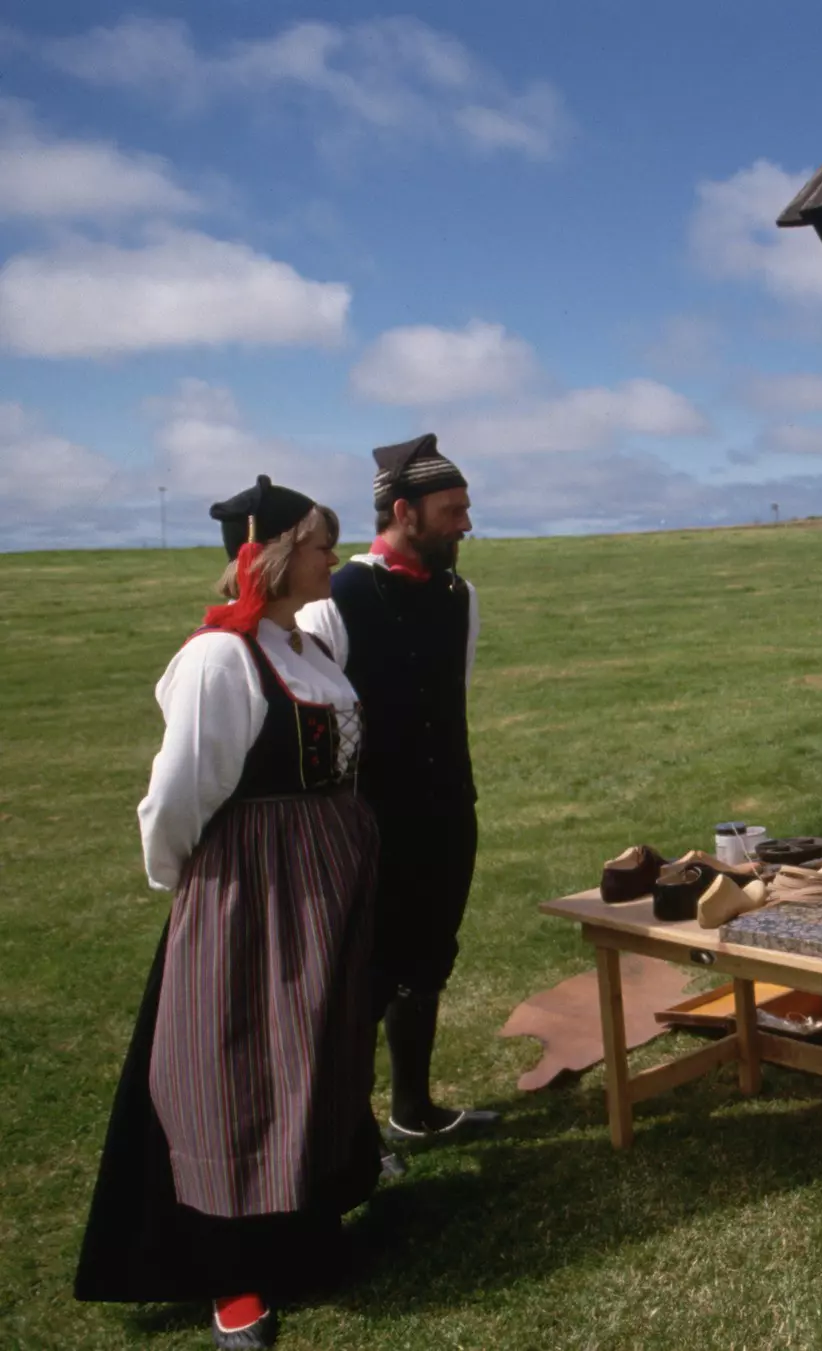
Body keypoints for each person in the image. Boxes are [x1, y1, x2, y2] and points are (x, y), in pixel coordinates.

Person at [75, 477, 383, 1350]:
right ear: (278, 553)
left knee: (315, 1048)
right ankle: (229, 1273)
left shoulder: (308, 644)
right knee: (237, 1065)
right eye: (321, 542)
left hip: (325, 878)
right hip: (255, 888)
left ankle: (303, 1231)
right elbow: (176, 795)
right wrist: (197, 890)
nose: (334, 553)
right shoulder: (222, 659)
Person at [298, 434, 494, 1143]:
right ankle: (346, 1140)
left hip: (446, 812)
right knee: (365, 974)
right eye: (453, 510)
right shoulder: (335, 599)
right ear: (404, 512)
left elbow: (451, 696)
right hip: (370, 822)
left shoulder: (459, 596)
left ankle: (415, 1110)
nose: (467, 523)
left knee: (429, 958)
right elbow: (324, 728)